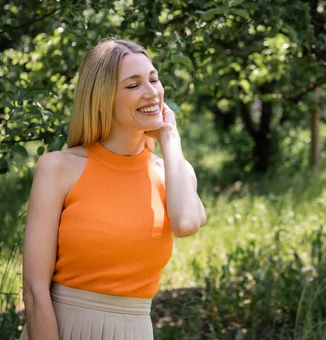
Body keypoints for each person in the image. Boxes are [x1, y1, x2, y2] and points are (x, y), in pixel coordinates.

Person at [21, 39, 206, 339]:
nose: (151, 92)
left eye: (153, 79)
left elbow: (186, 223)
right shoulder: (58, 168)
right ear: (103, 98)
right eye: (133, 85)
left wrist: (170, 135)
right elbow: (34, 291)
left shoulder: (173, 171)